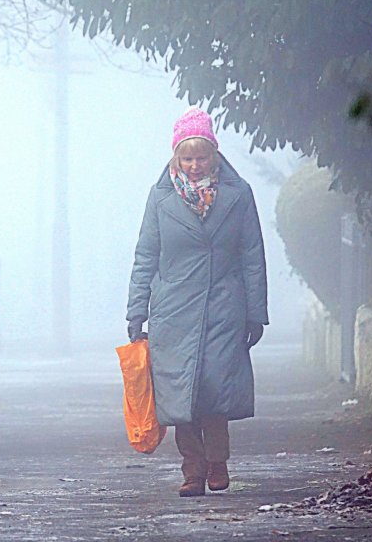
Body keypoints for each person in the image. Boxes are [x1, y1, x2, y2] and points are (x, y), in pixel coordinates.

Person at [126, 106, 269, 497]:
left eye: (200, 157)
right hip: (173, 311)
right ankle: (192, 470)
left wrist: (256, 312)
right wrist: (136, 312)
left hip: (225, 306)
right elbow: (146, 255)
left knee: (213, 389)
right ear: (176, 157)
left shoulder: (238, 196)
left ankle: (217, 462)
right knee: (178, 395)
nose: (193, 165)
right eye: (186, 157)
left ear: (214, 154)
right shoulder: (160, 199)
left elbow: (252, 254)